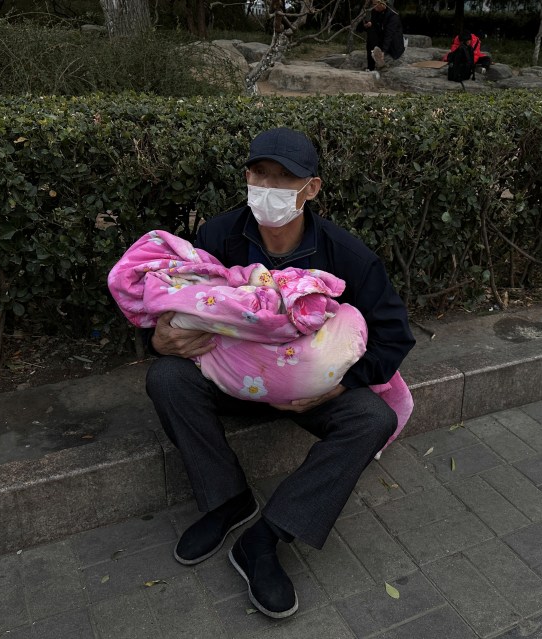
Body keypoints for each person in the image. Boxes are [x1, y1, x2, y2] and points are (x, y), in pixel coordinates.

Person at [144, 127, 415, 619]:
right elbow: (175, 301)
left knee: (372, 418)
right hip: (233, 380)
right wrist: (158, 339)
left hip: (309, 391)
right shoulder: (217, 236)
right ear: (246, 177)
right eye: (259, 174)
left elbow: (395, 336)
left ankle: (266, 537)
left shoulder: (347, 256)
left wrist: (337, 385)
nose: (268, 188)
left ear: (311, 188)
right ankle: (227, 500)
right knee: (165, 377)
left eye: (285, 179)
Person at [358, 0, 405, 74]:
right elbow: (359, 29)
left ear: (382, 3)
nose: (373, 6)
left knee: (375, 34)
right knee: (371, 31)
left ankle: (379, 62)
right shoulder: (375, 11)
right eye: (373, 4)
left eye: (375, 4)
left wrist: (383, 51)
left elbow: (389, 34)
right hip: (382, 38)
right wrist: (366, 25)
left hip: (393, 42)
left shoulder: (393, 14)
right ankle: (371, 67)